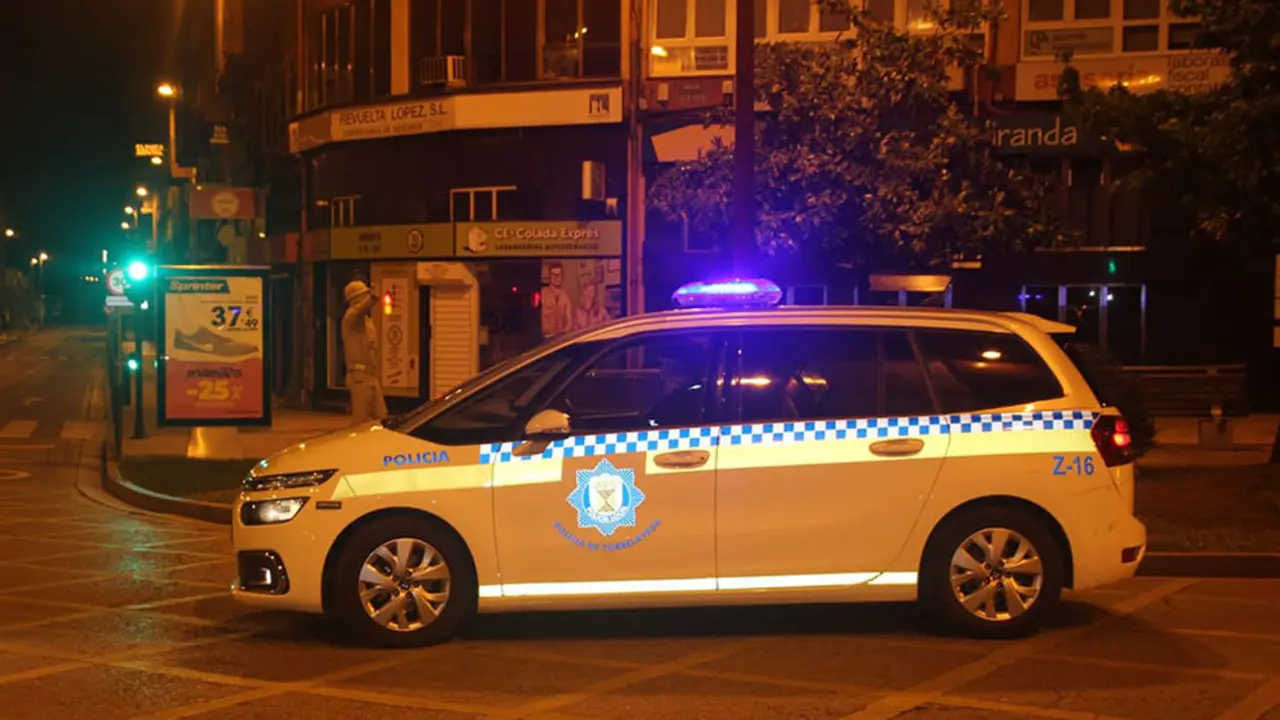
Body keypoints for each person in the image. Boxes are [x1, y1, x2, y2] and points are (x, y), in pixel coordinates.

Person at [341, 279, 387, 423]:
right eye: (363, 296)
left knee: (381, 416)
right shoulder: (350, 318)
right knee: (360, 420)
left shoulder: (366, 320)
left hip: (371, 375)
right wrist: (372, 298)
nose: (366, 299)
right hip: (359, 376)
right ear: (354, 299)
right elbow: (358, 311)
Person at [541, 262, 573, 337]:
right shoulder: (543, 293)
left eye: (559, 274)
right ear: (549, 276)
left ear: (562, 276)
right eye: (553, 274)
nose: (556, 277)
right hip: (543, 338)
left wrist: (564, 332)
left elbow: (569, 322)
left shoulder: (565, 297)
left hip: (559, 339)